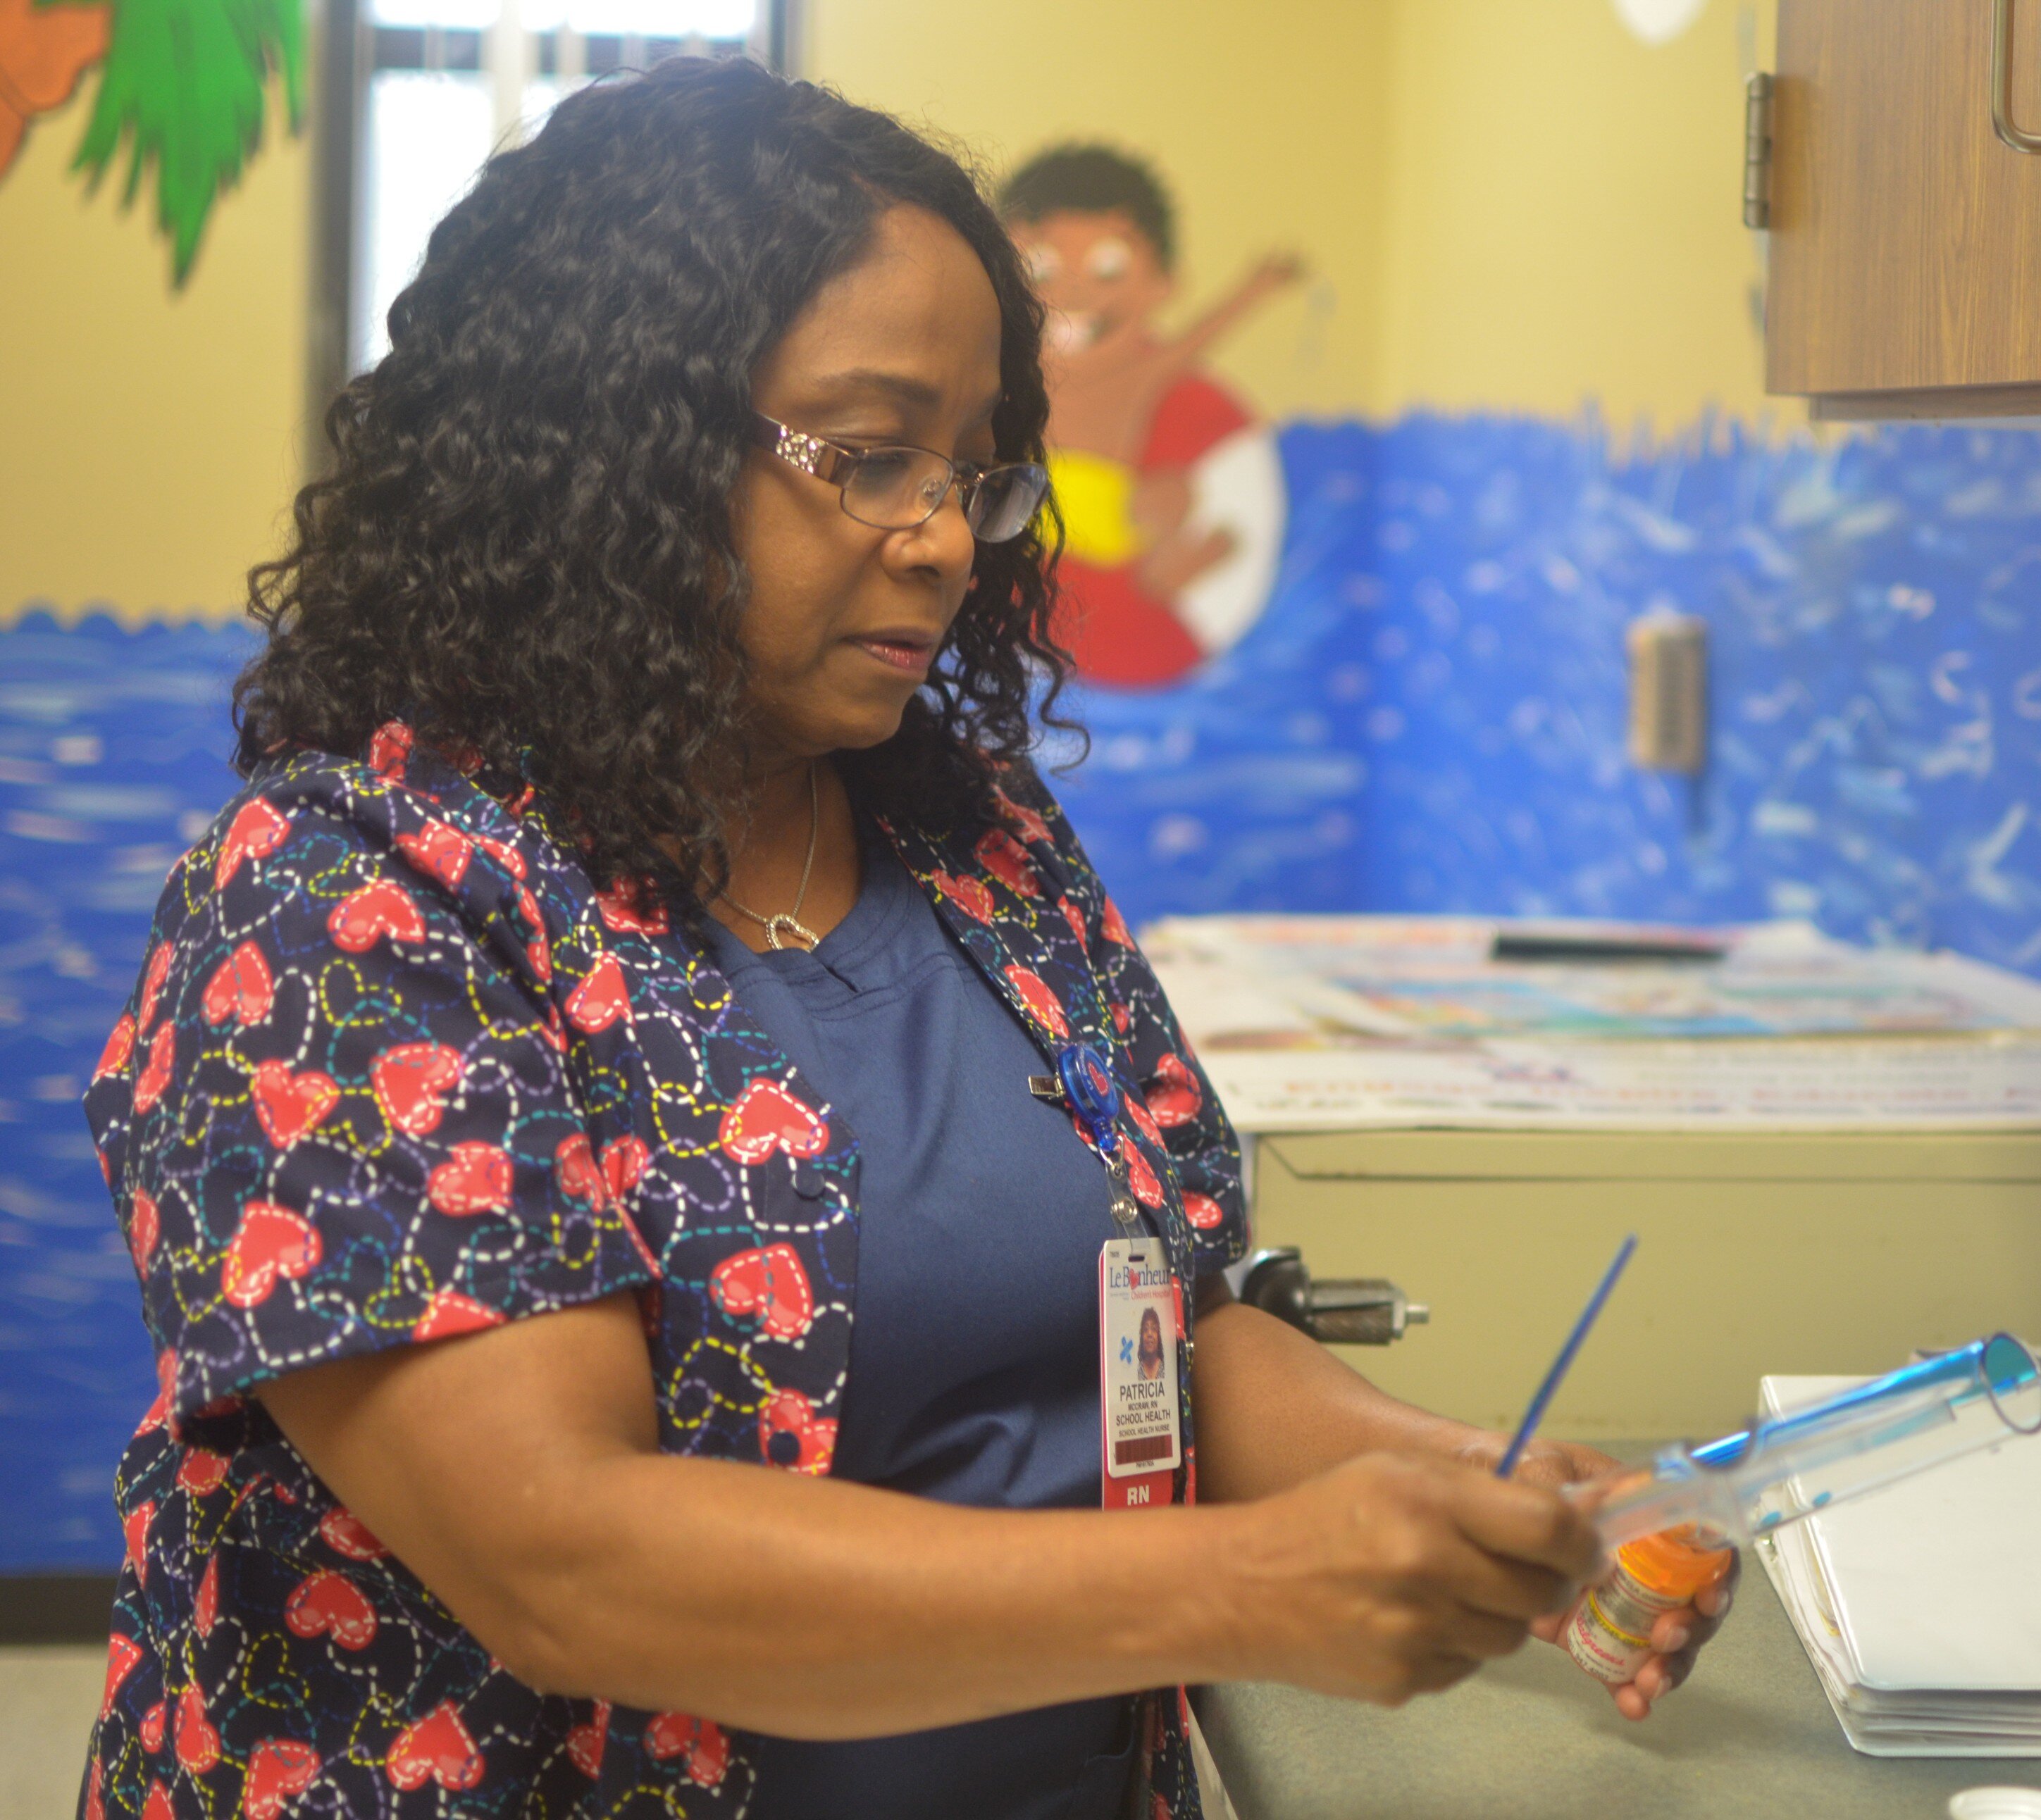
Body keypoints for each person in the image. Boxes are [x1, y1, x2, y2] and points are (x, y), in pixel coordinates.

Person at [79, 57, 1729, 1820]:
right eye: (868, 460)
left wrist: (1487, 1495)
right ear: (610, 450)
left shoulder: (972, 839)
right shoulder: (352, 906)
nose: (943, 539)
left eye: (976, 473)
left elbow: (1152, 1329)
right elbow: (566, 1566)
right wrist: (1257, 1585)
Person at [998, 144, 1299, 688]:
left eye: (1109, 267)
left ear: (1164, 284)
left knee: (1166, 504)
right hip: (1047, 528)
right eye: (1039, 265)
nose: (1073, 291)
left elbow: (1199, 339)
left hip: (1110, 531)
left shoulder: (1136, 382)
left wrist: (1257, 288)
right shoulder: (997, 378)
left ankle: (1188, 556)